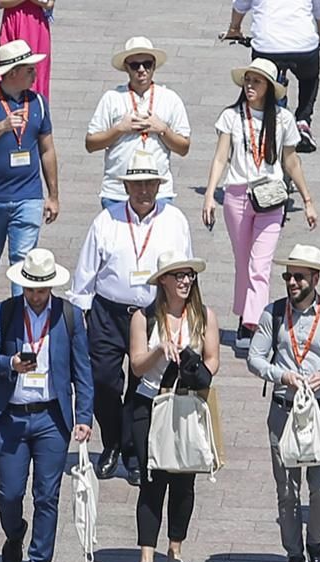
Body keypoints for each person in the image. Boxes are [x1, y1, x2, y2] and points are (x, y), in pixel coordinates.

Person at [68, 152, 194, 485]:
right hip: (109, 313)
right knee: (104, 382)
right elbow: (85, 271)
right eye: (137, 184)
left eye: (150, 183)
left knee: (145, 387)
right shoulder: (106, 220)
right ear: (125, 186)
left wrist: (183, 313)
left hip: (154, 314)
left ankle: (134, 450)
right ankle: (112, 440)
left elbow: (186, 272)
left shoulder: (175, 220)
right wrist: (79, 315)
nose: (143, 190)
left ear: (159, 185)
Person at [0, 248, 93, 562]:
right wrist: (8, 363)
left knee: (47, 496)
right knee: (9, 492)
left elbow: (82, 371)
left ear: (51, 288)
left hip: (51, 418)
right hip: (12, 417)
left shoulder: (69, 316)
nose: (36, 296)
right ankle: (14, 533)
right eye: (30, 290)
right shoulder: (5, 311)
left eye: (41, 290)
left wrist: (84, 416)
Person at [247, 244, 320, 562]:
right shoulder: (274, 313)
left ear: (314, 278)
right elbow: (255, 358)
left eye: (298, 276)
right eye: (287, 276)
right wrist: (282, 376)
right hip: (283, 409)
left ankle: (316, 547)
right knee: (287, 490)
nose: (292, 282)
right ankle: (293, 556)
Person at [202, 58, 319, 352]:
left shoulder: (282, 119)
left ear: (269, 87)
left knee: (260, 263)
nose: (250, 86)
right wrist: (209, 195)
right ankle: (246, 315)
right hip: (238, 195)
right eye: (248, 80)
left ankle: (253, 323)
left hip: (271, 197)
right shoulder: (231, 116)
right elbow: (220, 157)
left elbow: (291, 160)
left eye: (257, 81)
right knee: (243, 261)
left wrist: (307, 200)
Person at [127, 251, 220, 562]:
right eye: (178, 275)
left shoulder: (204, 316)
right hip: (149, 405)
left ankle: (175, 550)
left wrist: (193, 365)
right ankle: (145, 560)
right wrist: (159, 350)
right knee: (151, 480)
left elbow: (213, 362)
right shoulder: (144, 317)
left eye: (189, 275)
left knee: (183, 482)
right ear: (163, 280)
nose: (185, 281)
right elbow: (136, 365)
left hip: (187, 406)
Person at [0, 40, 60, 336]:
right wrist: (2, 127)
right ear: (10, 73)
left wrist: (53, 195)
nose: (35, 73)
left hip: (28, 196)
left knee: (22, 259)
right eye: (28, 69)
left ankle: (21, 318)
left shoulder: (39, 103)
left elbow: (47, 150)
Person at [85, 37, 191, 209]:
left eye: (147, 64)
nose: (142, 70)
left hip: (159, 193)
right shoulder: (112, 98)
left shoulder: (170, 99)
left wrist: (162, 129)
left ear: (154, 65)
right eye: (135, 65)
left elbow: (183, 147)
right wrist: (119, 129)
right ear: (127, 67)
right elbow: (91, 143)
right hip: (117, 193)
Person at [221, 0, 320, 152]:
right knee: (309, 79)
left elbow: (239, 6)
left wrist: (234, 29)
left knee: (262, 80)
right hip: (303, 47)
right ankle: (303, 121)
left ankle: (263, 123)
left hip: (266, 47)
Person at [0, 0, 53, 100]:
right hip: (12, 21)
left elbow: (48, 3)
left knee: (36, 72)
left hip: (36, 24)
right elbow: (1, 2)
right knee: (9, 70)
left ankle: (36, 110)